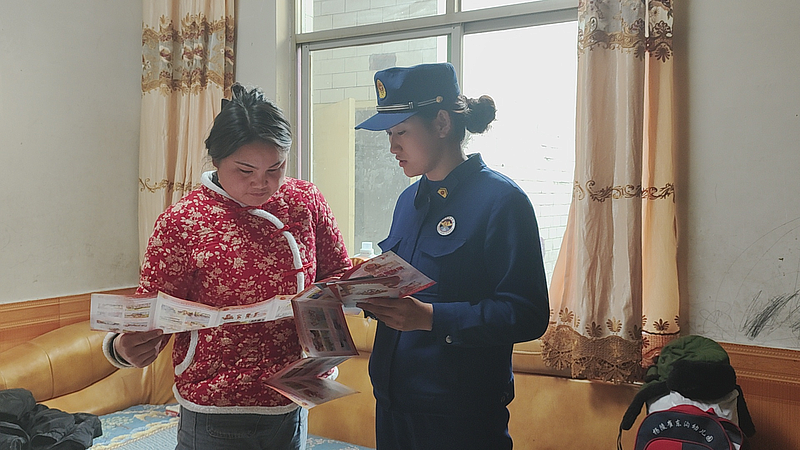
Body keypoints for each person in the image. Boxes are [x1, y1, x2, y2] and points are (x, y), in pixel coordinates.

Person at [103, 83, 352, 450]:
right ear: (217, 161)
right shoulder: (183, 221)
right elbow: (151, 311)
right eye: (245, 170)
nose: (261, 183)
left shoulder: (304, 201)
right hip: (216, 402)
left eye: (276, 168)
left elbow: (337, 274)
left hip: (295, 393)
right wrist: (122, 346)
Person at [354, 62, 550, 450]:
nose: (392, 147)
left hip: (459, 417)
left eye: (401, 132)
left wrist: (431, 317)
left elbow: (527, 313)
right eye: (390, 135)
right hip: (393, 405)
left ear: (442, 123)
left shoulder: (501, 201)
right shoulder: (408, 201)